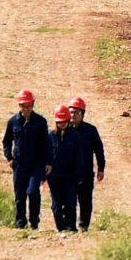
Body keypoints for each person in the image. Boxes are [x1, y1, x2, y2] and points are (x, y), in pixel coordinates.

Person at [2, 88, 50, 230]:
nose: (26, 108)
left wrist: (47, 162)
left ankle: (34, 220)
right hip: (19, 164)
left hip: (36, 165)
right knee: (20, 195)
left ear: (33, 104)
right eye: (23, 105)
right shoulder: (13, 122)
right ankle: (20, 223)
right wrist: (9, 157)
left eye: (28, 105)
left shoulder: (41, 122)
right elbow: (7, 141)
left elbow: (46, 144)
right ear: (19, 106)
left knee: (32, 191)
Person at [63, 95, 106, 233]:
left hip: (86, 173)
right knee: (69, 200)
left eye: (77, 112)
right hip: (68, 173)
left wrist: (101, 168)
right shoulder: (63, 129)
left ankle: (83, 226)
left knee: (85, 201)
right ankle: (70, 226)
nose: (73, 115)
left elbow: (99, 150)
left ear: (83, 114)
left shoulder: (91, 131)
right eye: (71, 112)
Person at [47, 105, 76, 232]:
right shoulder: (50, 136)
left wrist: (79, 175)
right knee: (57, 204)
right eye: (60, 122)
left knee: (70, 202)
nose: (63, 124)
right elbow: (45, 154)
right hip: (54, 176)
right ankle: (61, 227)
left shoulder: (75, 136)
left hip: (70, 175)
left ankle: (71, 227)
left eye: (65, 121)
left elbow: (79, 157)